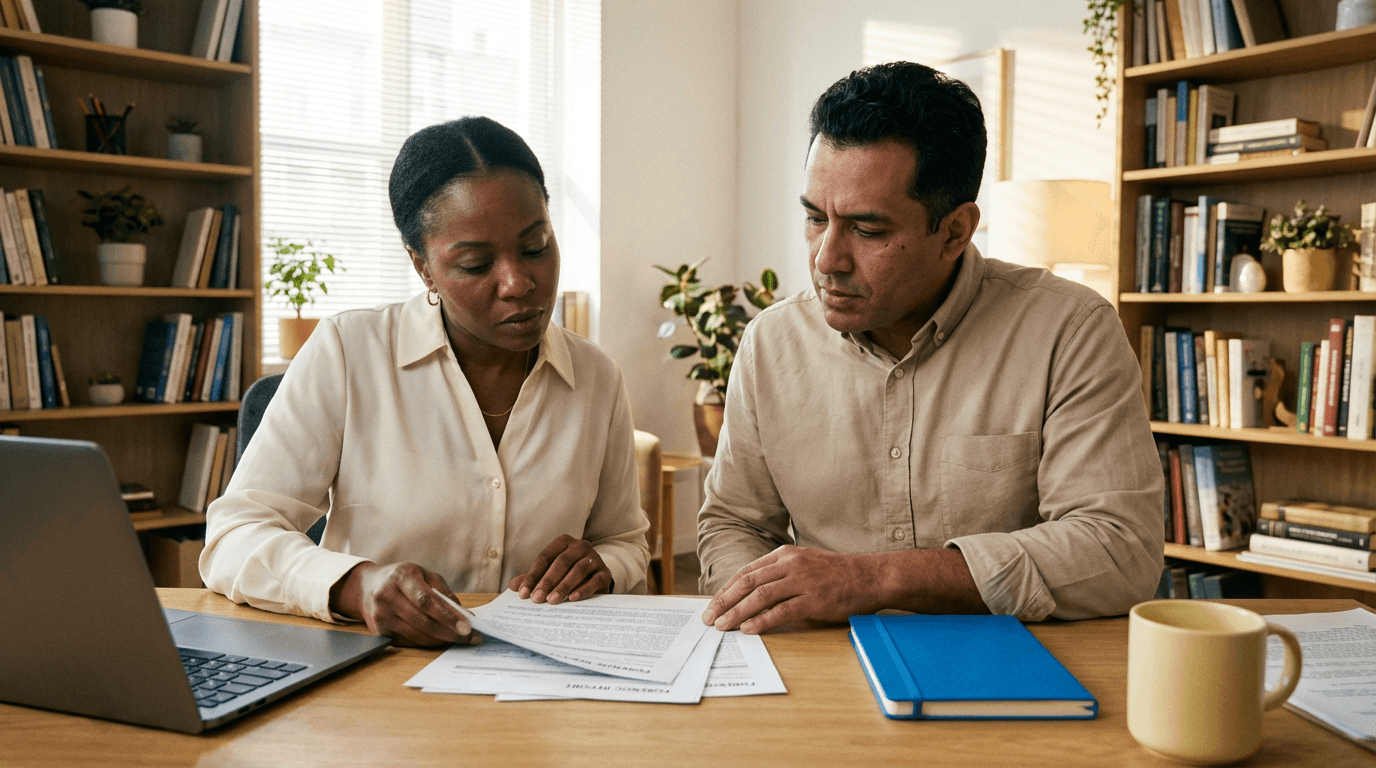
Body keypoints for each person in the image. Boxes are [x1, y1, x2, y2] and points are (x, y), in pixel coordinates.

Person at [696, 62, 1164, 635]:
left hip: (1014, 673)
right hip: (818, 666)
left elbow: (1119, 550)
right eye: (816, 218)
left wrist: (875, 580)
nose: (826, 260)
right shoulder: (771, 343)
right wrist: (757, 603)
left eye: (867, 230)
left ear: (955, 231)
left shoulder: (1070, 330)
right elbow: (732, 524)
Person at [202, 117, 649, 646]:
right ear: (423, 268)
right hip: (381, 677)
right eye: (476, 263)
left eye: (535, 247)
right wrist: (355, 585)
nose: (518, 283)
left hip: (545, 683)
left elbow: (625, 541)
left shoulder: (596, 378)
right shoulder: (349, 353)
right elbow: (234, 535)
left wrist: (604, 565)